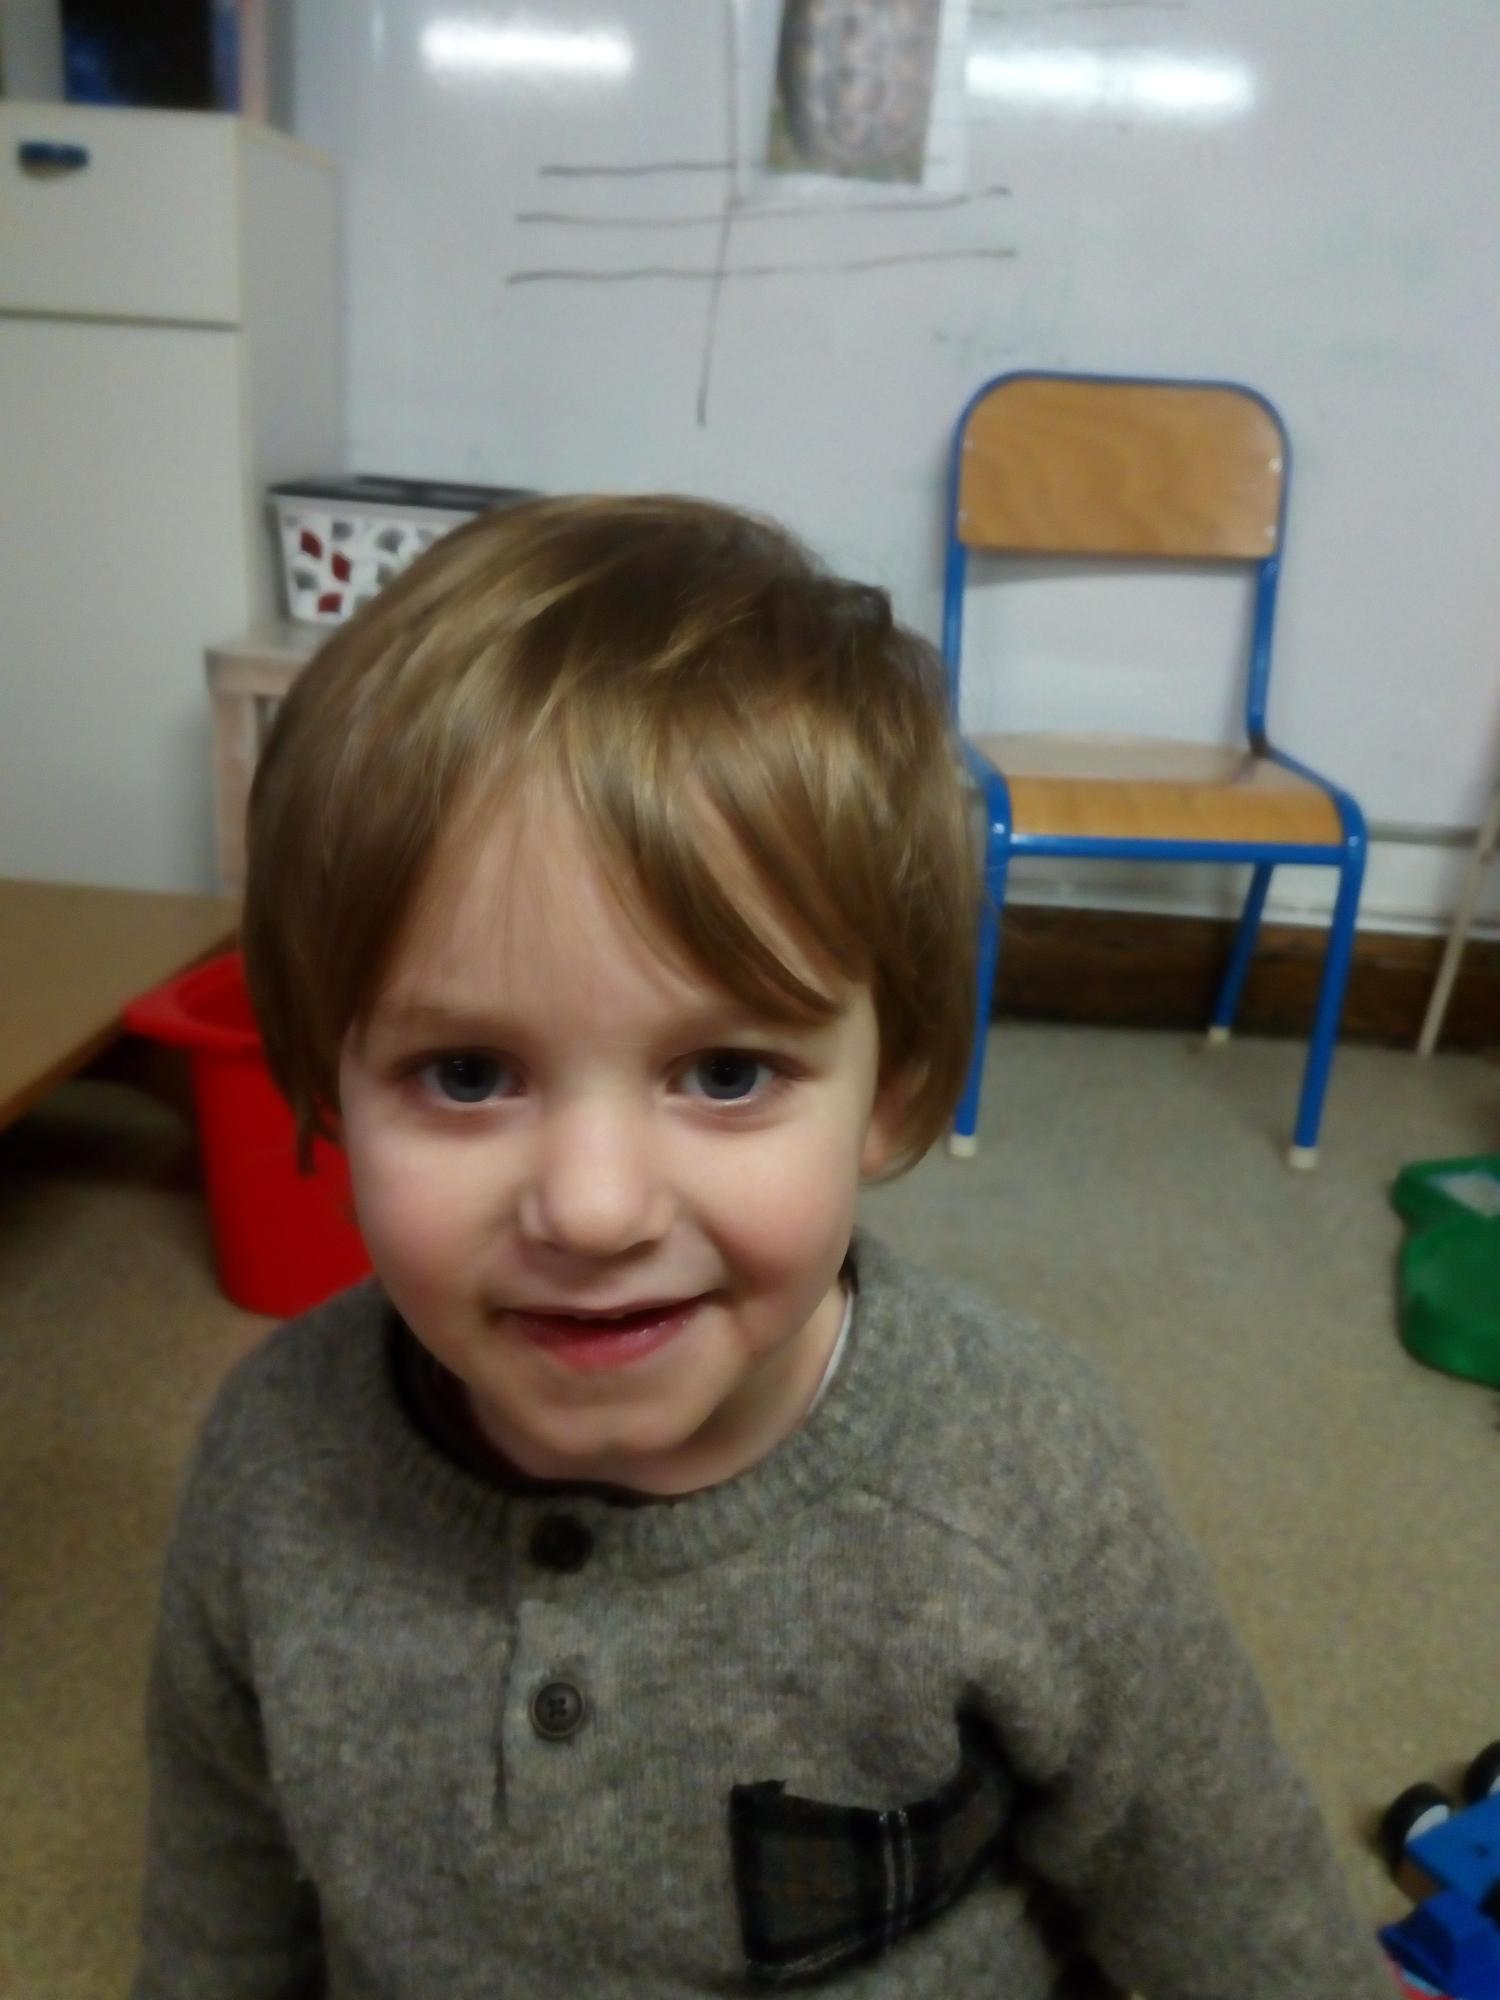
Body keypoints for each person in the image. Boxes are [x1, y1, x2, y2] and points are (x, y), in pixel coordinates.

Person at [133, 495, 1392, 1998]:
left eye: (725, 1073)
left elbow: (1232, 1899)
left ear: (894, 1088)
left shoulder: (1025, 1476)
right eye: (466, 1074)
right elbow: (218, 1900)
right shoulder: (274, 1462)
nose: (594, 1209)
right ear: (323, 1087)